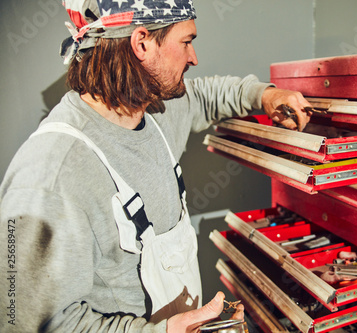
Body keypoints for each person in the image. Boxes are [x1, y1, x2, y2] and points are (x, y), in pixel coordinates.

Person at [0, 0, 311, 332]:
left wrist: (265, 96)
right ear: (142, 42)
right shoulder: (52, 174)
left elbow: (207, 95)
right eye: (187, 42)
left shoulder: (153, 110)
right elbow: (32, 324)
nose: (194, 58)